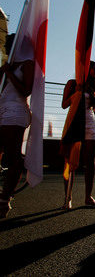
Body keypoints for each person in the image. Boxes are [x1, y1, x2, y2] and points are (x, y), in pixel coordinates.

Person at [60, 61, 95, 209]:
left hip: (90, 126)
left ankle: (88, 197)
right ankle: (68, 197)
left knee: (90, 164)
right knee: (71, 162)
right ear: (85, 69)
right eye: (94, 69)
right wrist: (77, 93)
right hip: (75, 123)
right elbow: (64, 104)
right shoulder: (72, 83)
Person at [0, 57, 34, 218]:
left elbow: (27, 90)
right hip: (1, 110)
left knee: (13, 157)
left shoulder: (27, 64)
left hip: (15, 112)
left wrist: (9, 73)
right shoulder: (7, 66)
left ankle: (5, 198)